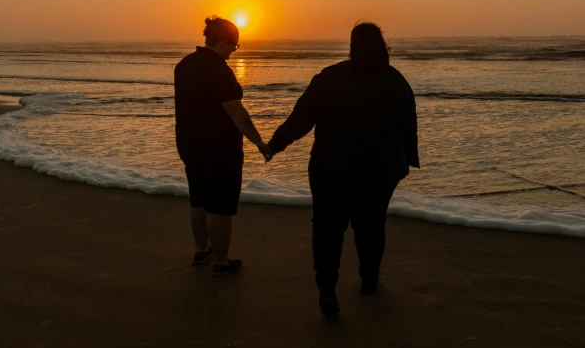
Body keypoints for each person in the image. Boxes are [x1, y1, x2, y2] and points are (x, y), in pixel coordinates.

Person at [268, 22, 419, 317]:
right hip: (380, 171)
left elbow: (301, 118)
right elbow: (408, 124)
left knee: (327, 228)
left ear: (351, 46)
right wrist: (406, 163)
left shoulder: (331, 77)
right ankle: (369, 280)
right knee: (372, 226)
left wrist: (275, 145)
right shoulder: (395, 81)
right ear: (382, 47)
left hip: (330, 168)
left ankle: (327, 290)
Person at [174, 16, 274, 277]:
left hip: (188, 141)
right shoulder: (218, 70)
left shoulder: (184, 65)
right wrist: (259, 141)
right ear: (221, 42)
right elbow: (234, 110)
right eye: (234, 45)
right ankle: (221, 262)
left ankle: (201, 249)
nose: (234, 50)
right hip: (218, 147)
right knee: (221, 206)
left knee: (198, 199)